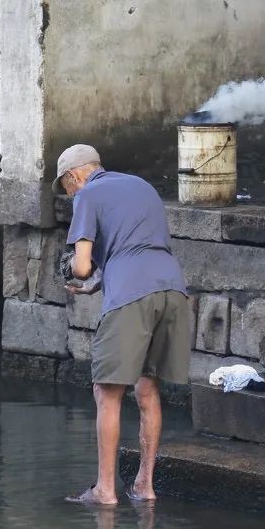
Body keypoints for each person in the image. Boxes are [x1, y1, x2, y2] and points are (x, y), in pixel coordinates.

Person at [55, 143, 191, 506]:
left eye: (65, 188)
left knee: (107, 393)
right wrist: (100, 282)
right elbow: (138, 247)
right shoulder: (139, 186)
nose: (69, 196)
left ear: (75, 176)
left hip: (132, 295)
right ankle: (144, 486)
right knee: (147, 391)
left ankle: (105, 490)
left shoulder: (87, 195)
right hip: (173, 290)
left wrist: (77, 273)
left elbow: (82, 266)